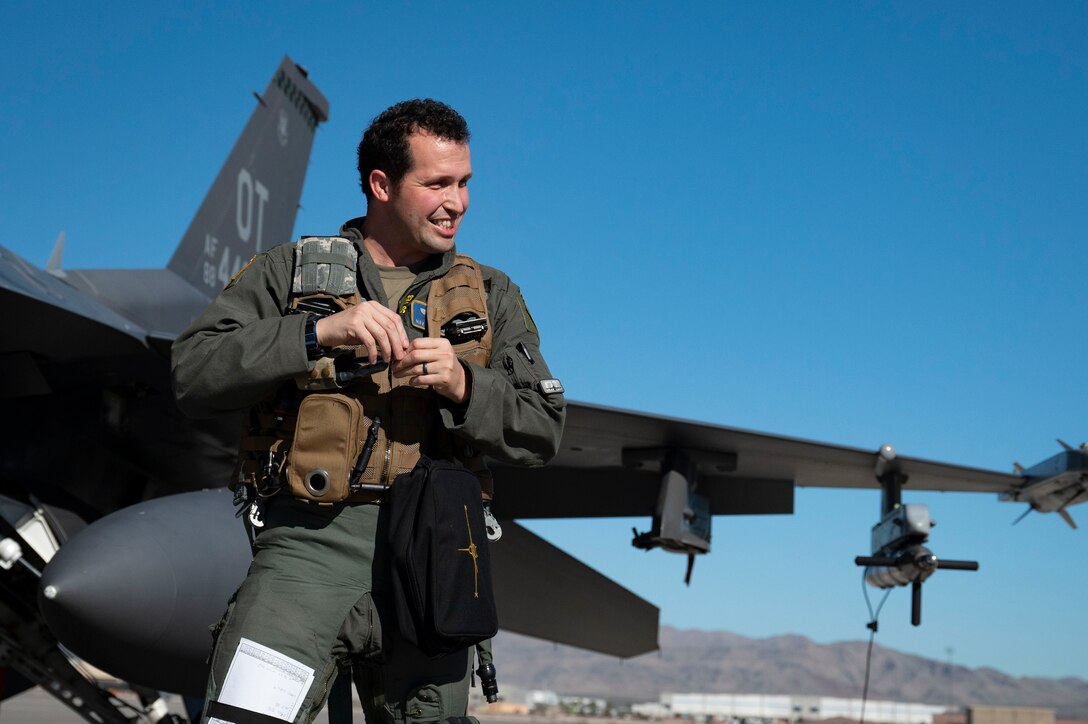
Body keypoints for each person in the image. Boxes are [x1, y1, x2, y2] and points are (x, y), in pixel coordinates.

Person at [172, 99, 565, 724]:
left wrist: (465, 384)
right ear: (382, 185)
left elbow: (543, 430)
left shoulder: (491, 294)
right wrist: (314, 335)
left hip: (434, 560)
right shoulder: (287, 274)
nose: (457, 202)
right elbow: (193, 371)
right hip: (308, 549)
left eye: (464, 183)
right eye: (437, 183)